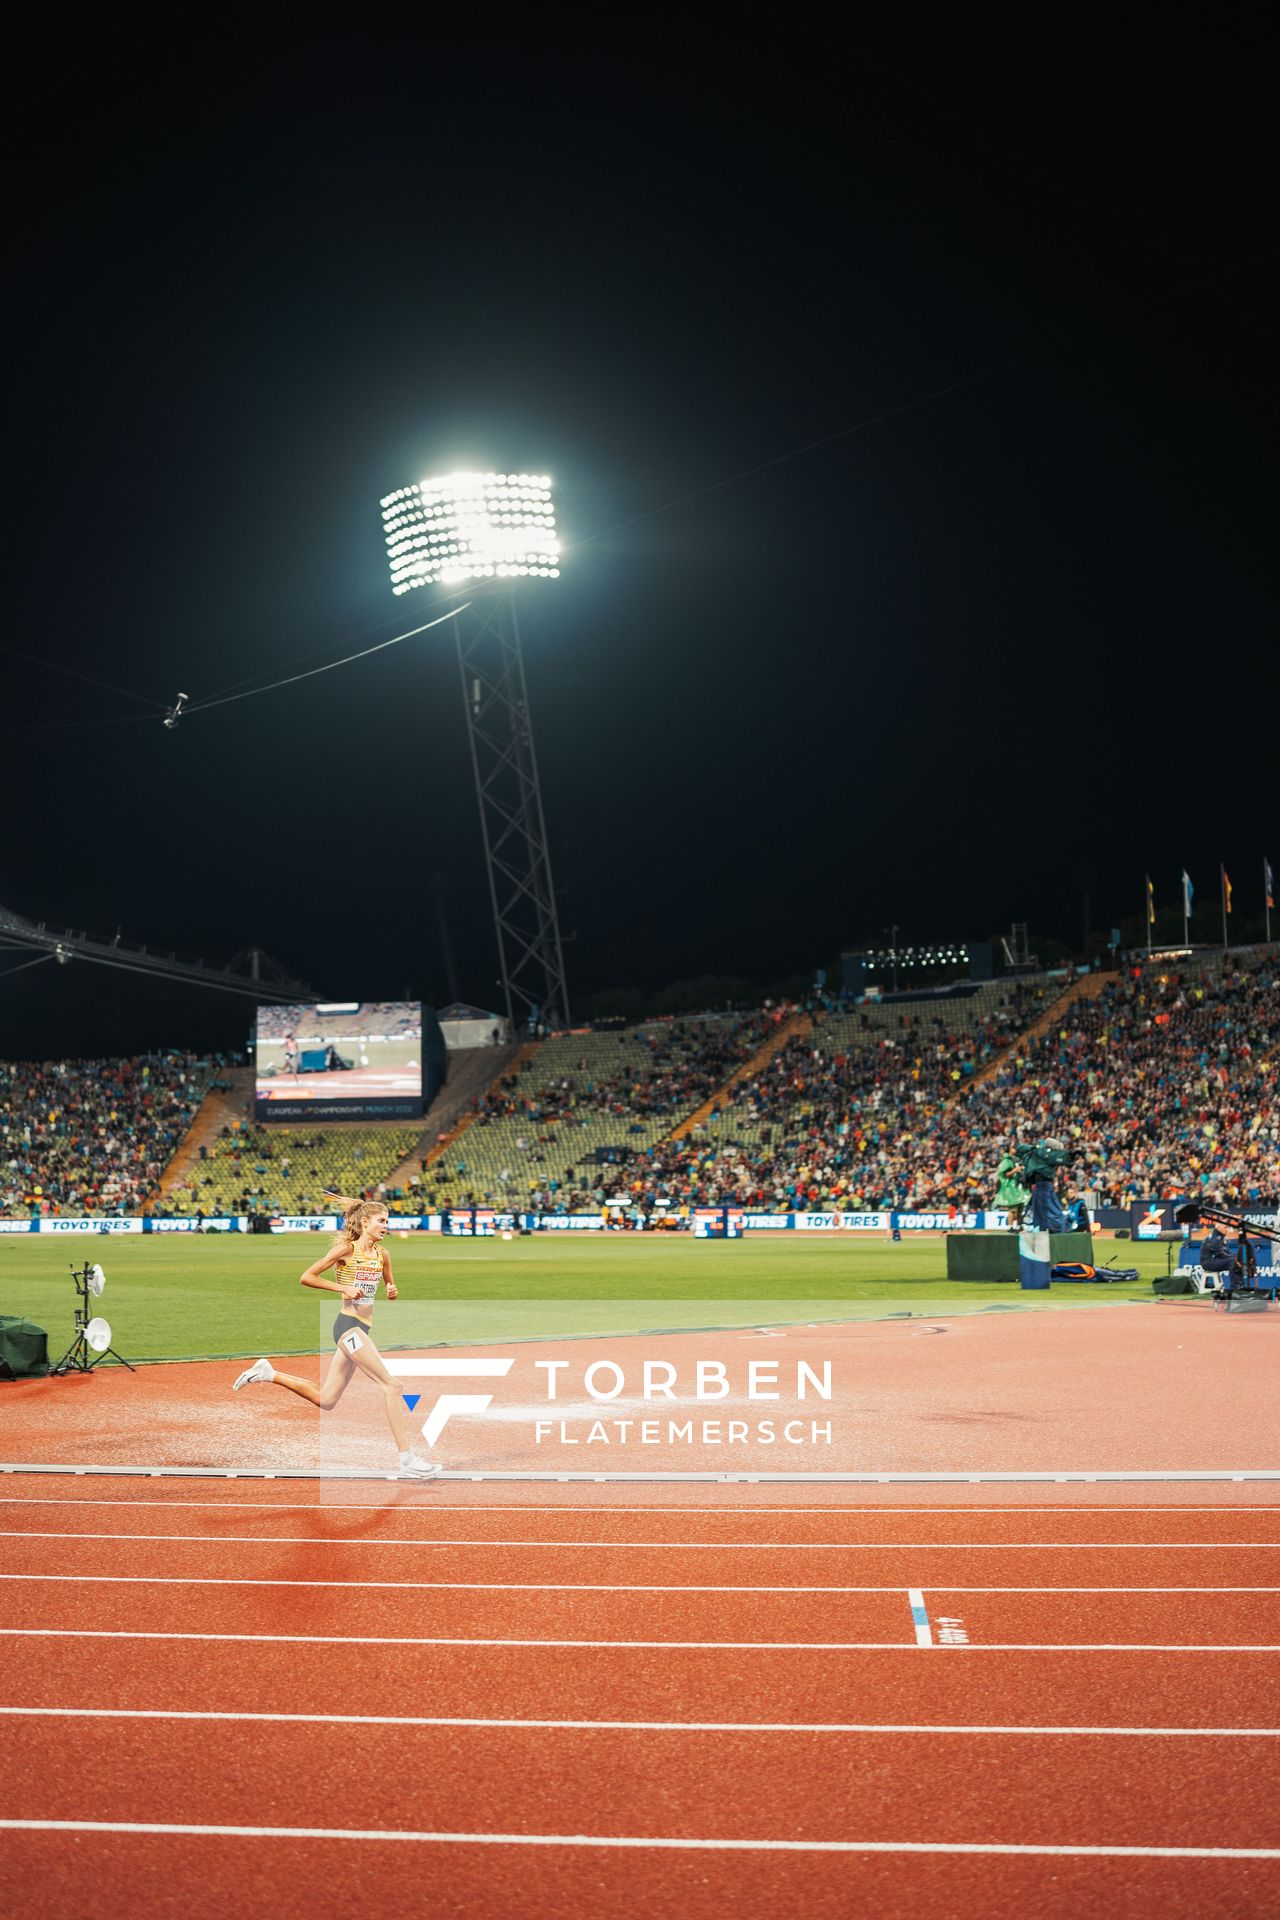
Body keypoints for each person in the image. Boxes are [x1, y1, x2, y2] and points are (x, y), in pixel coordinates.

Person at [232, 1195, 439, 1479]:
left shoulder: (383, 1255)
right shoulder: (346, 1250)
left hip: (361, 1328)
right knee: (392, 1385)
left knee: (327, 1399)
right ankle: (407, 1459)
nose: (386, 1226)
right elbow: (307, 1276)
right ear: (365, 1222)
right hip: (347, 1327)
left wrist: (392, 1290)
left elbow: (391, 1285)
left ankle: (269, 1374)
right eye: (381, 1220)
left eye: (387, 1221)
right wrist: (340, 1289)